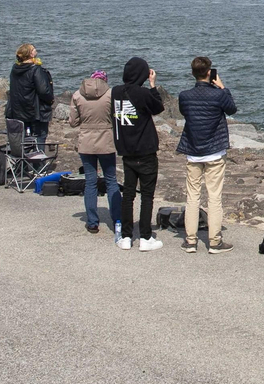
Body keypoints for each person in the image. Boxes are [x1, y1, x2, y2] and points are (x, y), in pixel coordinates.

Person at [177, 56, 238, 255]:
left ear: (193, 73)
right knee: (214, 197)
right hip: (214, 152)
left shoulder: (185, 96)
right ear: (210, 72)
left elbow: (185, 113)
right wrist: (222, 87)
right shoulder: (218, 95)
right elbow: (232, 109)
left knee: (192, 197)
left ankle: (191, 241)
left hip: (193, 152)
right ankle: (214, 241)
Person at [110, 56, 164, 252]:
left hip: (126, 150)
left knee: (128, 194)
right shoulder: (142, 93)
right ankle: (145, 237)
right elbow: (158, 107)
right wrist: (152, 85)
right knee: (147, 195)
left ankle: (125, 236)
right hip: (145, 149)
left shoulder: (115, 92)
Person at [70, 71, 122, 236]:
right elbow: (118, 117)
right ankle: (117, 221)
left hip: (86, 142)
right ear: (105, 81)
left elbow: (73, 122)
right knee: (111, 181)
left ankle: (92, 222)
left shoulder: (78, 95)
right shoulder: (111, 94)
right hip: (106, 140)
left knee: (90, 182)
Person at [6, 44, 55, 141]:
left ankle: (24, 154)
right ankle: (38, 155)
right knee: (40, 136)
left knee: (23, 138)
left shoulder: (15, 68)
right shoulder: (35, 69)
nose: (35, 50)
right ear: (31, 54)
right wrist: (51, 100)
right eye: (33, 49)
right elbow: (43, 91)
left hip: (18, 109)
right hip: (35, 110)